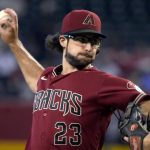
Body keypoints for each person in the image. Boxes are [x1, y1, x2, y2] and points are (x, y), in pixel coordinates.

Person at [0, 8, 150, 150]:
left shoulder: (103, 83)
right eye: (82, 39)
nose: (88, 47)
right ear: (63, 40)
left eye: (94, 41)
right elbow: (36, 80)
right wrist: (14, 43)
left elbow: (145, 102)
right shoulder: (47, 77)